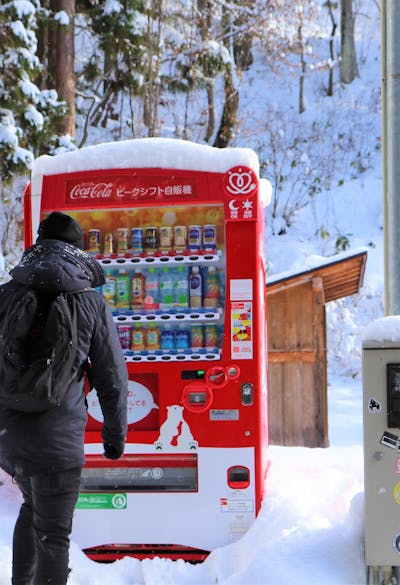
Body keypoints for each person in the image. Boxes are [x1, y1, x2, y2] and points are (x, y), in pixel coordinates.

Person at [0, 211, 128, 585]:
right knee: (54, 536)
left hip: (10, 438)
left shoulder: (6, 294)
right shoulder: (89, 303)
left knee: (31, 504)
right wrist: (114, 435)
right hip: (58, 442)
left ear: (38, 246)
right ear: (76, 252)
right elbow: (111, 376)